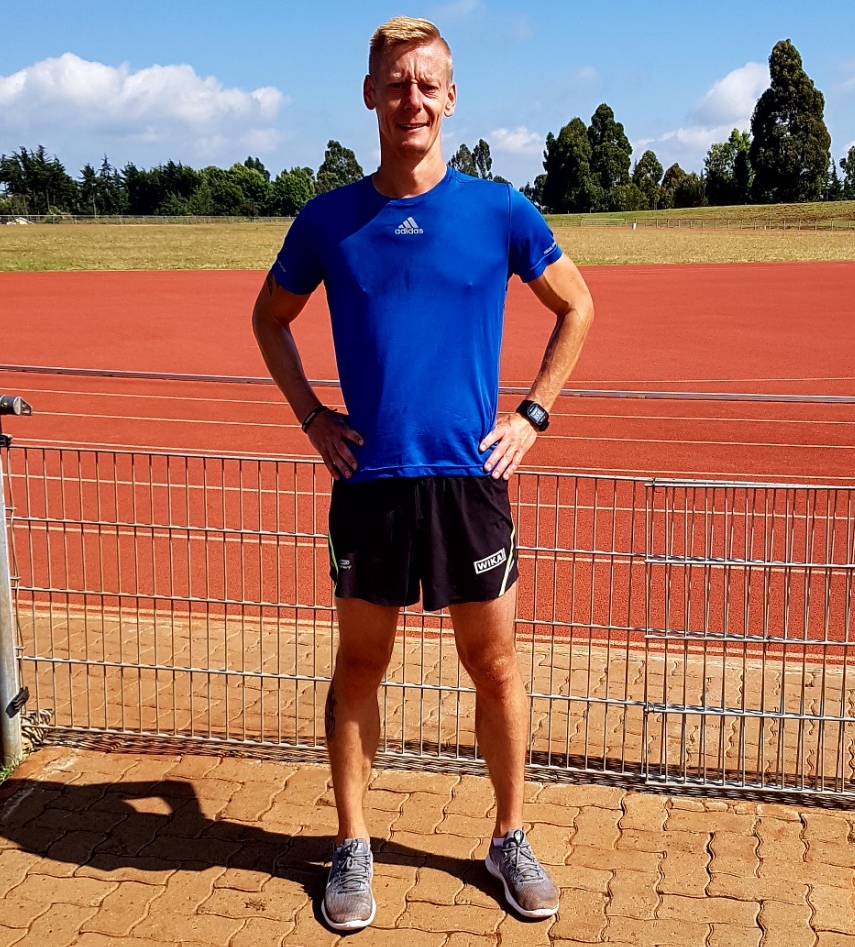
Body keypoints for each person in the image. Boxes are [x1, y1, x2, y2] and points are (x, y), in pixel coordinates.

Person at [252, 15, 594, 931]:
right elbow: (268, 318)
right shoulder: (327, 220)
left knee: (495, 664)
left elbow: (578, 305)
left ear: (451, 97)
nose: (412, 98)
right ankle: (352, 844)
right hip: (370, 482)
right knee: (360, 664)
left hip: (469, 483)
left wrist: (532, 414)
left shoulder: (500, 211)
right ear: (370, 94)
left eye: (427, 83)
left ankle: (509, 835)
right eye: (396, 82)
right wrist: (312, 417)